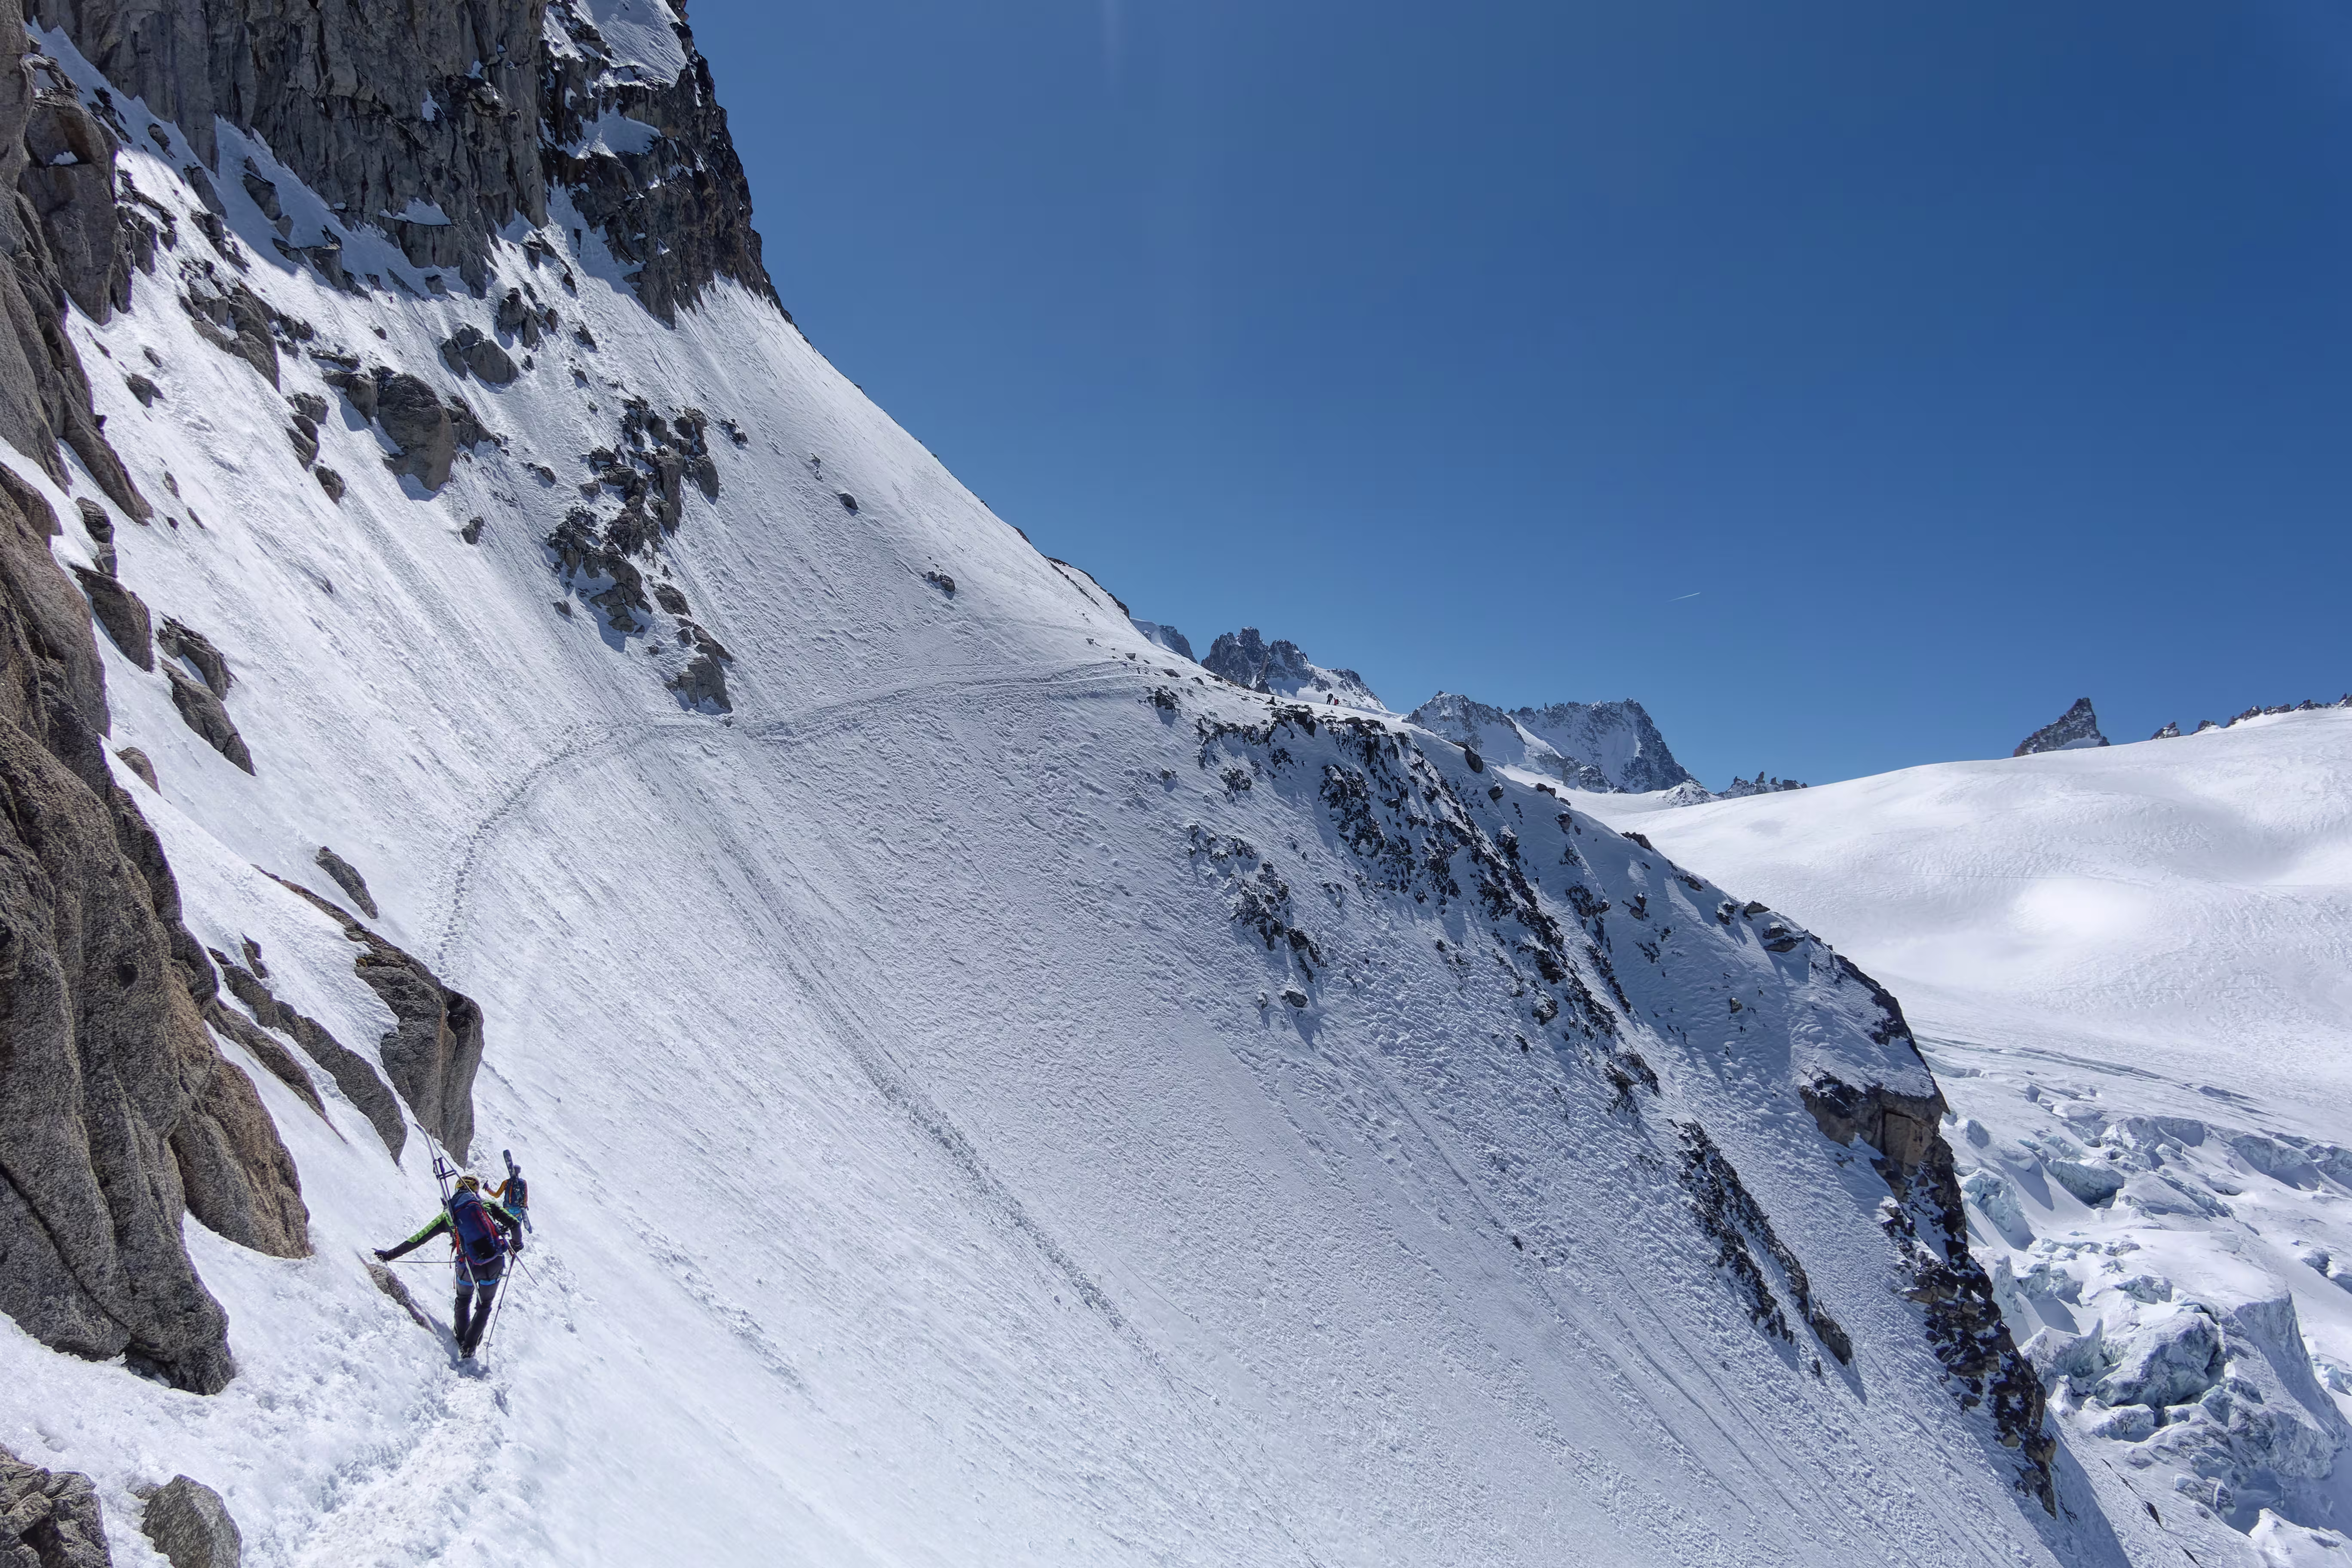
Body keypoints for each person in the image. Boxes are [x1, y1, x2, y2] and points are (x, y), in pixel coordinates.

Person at [376, 1175, 524, 1357]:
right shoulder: (486, 1206)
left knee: (463, 1300)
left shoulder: (450, 1215)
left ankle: (461, 1339)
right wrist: (517, 1245)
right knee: (485, 1305)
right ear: (476, 1190)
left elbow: (419, 1239)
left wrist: (389, 1255)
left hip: (467, 1267)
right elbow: (515, 1223)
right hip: (494, 1263)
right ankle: (470, 1346)